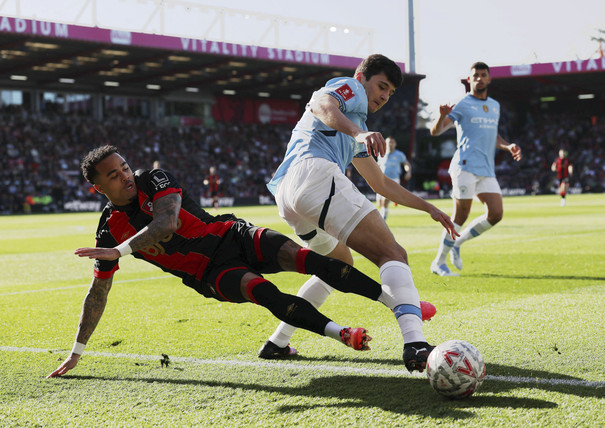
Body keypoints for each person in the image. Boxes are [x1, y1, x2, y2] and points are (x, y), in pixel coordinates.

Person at [46, 145, 424, 378]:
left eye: (125, 167)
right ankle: (342, 333)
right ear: (97, 188)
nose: (126, 176)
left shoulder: (153, 179)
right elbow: (99, 291)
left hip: (232, 235)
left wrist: (121, 251)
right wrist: (76, 351)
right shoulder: (109, 229)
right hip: (210, 273)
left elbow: (167, 222)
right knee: (265, 292)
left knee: (308, 258)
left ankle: (400, 305)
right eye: (114, 176)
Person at [262, 54, 458, 373]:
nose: (383, 96)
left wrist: (429, 207)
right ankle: (416, 344)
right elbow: (322, 105)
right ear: (362, 77)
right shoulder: (349, 89)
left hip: (289, 195)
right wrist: (357, 133)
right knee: (392, 253)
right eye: (381, 86)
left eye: (390, 92)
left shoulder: (357, 125)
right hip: (314, 175)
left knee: (339, 264)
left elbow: (380, 183)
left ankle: (278, 341)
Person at [430, 61, 522, 277]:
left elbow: (493, 135)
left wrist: (507, 146)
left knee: (496, 214)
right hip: (465, 166)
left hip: (486, 168)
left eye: (483, 75)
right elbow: (436, 131)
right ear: (469, 79)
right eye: (476, 75)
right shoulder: (462, 103)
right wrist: (442, 114)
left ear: (489, 79)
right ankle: (439, 262)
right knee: (460, 215)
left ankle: (458, 243)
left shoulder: (495, 105)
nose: (479, 78)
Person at [376, 136, 411, 221]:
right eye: (388, 142)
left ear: (395, 144)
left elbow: (406, 164)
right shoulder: (381, 154)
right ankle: (384, 212)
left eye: (392, 142)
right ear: (385, 143)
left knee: (385, 199)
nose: (390, 144)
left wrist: (408, 172)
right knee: (379, 202)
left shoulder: (399, 154)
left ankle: (383, 219)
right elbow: (378, 165)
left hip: (393, 180)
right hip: (381, 179)